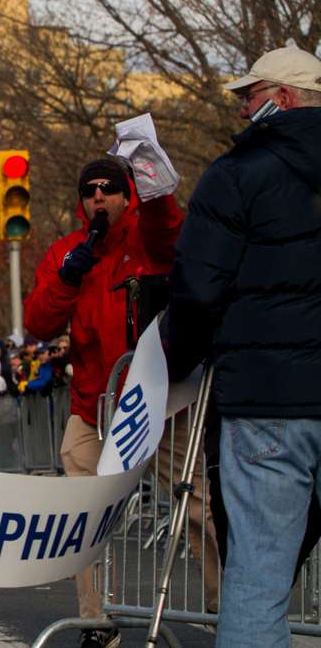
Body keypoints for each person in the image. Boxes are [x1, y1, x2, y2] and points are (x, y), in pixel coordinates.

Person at [24, 155, 221, 647]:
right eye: (89, 190)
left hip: (162, 400)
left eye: (109, 189)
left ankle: (234, 610)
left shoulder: (146, 239)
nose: (98, 197)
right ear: (80, 199)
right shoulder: (68, 253)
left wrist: (155, 190)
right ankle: (96, 622)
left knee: (198, 509)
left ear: (126, 195)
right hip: (94, 407)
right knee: (81, 520)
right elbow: (38, 323)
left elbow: (170, 233)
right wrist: (69, 277)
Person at [163, 41, 321, 646]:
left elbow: (198, 289)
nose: (240, 110)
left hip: (269, 403)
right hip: (274, 392)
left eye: (249, 96)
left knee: (258, 574)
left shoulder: (236, 175)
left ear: (280, 99)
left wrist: (175, 362)